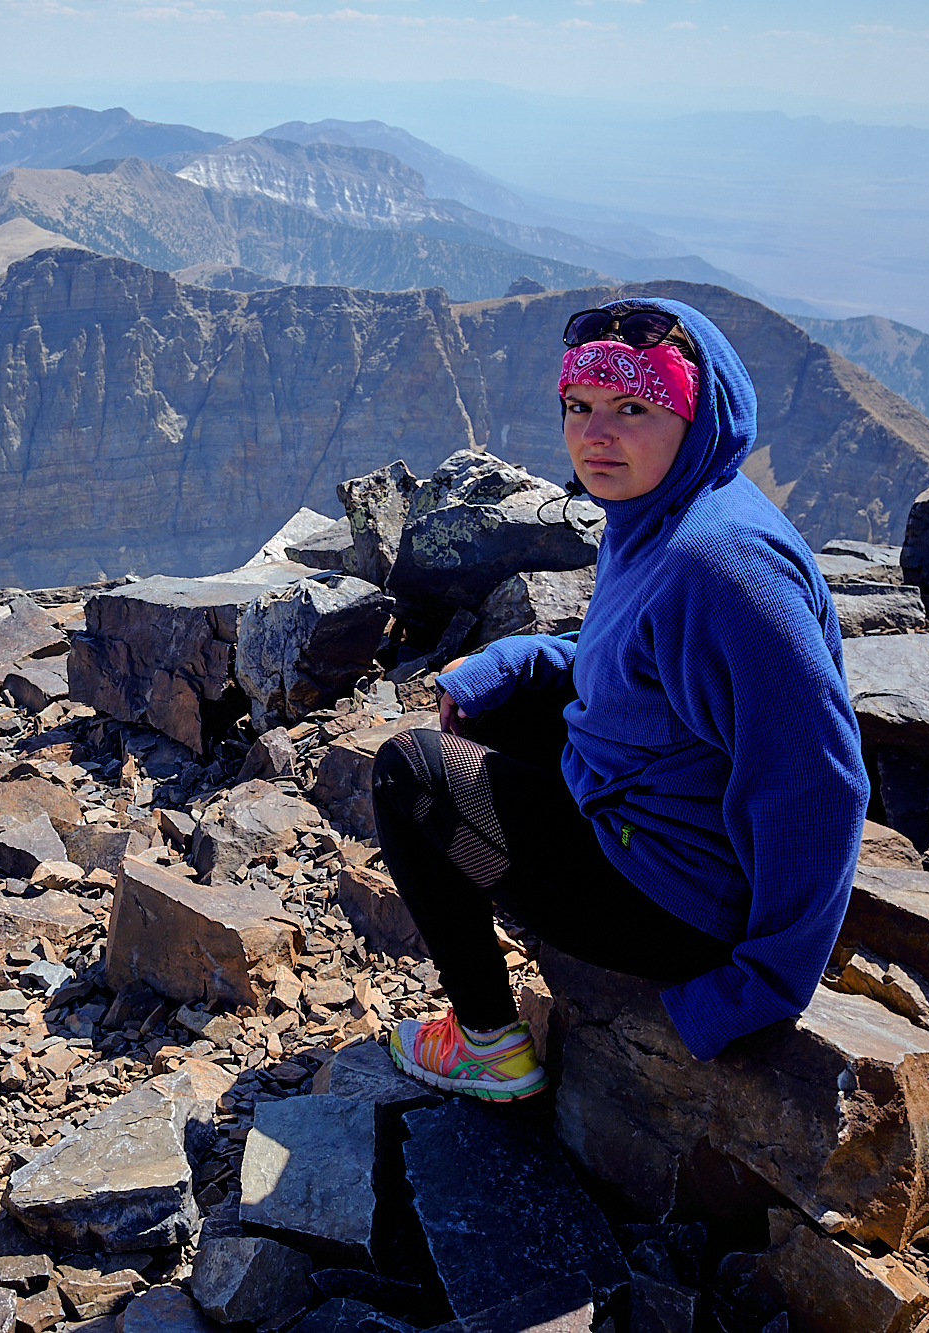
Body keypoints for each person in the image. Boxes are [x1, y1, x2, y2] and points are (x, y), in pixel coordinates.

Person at [372, 297, 868, 1101]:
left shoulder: (724, 565)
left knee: (408, 775)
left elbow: (817, 779)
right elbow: (637, 664)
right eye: (580, 406)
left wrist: (759, 984)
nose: (595, 434)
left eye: (633, 408)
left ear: (695, 414)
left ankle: (488, 1043)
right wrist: (514, 661)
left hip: (677, 903)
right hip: (650, 818)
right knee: (497, 714)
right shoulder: (665, 515)